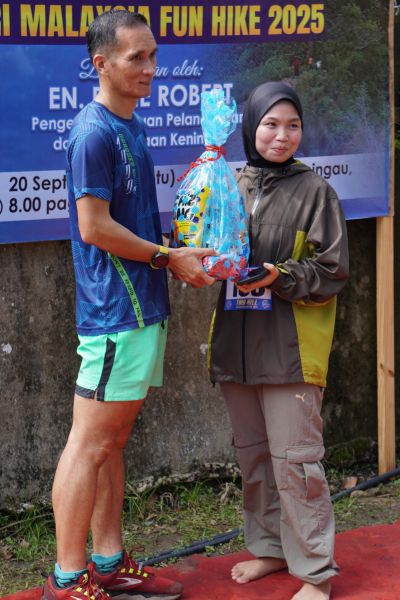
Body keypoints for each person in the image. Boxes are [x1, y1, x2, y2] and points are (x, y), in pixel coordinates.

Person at [42, 9, 215, 600]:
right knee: (89, 444)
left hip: (140, 309)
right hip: (115, 314)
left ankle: (108, 562)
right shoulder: (93, 133)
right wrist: (168, 258)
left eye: (153, 56)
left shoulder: (130, 126)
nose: (150, 68)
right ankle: (67, 579)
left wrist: (183, 251)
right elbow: (94, 227)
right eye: (136, 57)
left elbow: (130, 223)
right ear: (101, 64)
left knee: (110, 443)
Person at [208, 81, 349, 600]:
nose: (282, 135)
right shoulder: (228, 184)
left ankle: (315, 573)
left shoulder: (316, 192)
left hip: (289, 351)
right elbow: (207, 248)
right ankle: (270, 548)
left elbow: (332, 270)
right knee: (255, 459)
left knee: (297, 463)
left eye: (293, 125)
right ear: (251, 127)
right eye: (270, 124)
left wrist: (279, 275)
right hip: (237, 345)